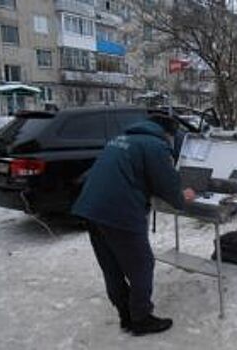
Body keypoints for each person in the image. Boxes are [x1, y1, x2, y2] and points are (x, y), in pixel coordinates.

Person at [72, 114, 196, 336]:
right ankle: (141, 318)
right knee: (142, 264)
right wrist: (182, 197)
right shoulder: (156, 145)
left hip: (91, 208)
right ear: (167, 133)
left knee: (112, 265)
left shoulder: (120, 139)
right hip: (119, 210)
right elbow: (166, 183)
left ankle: (125, 315)